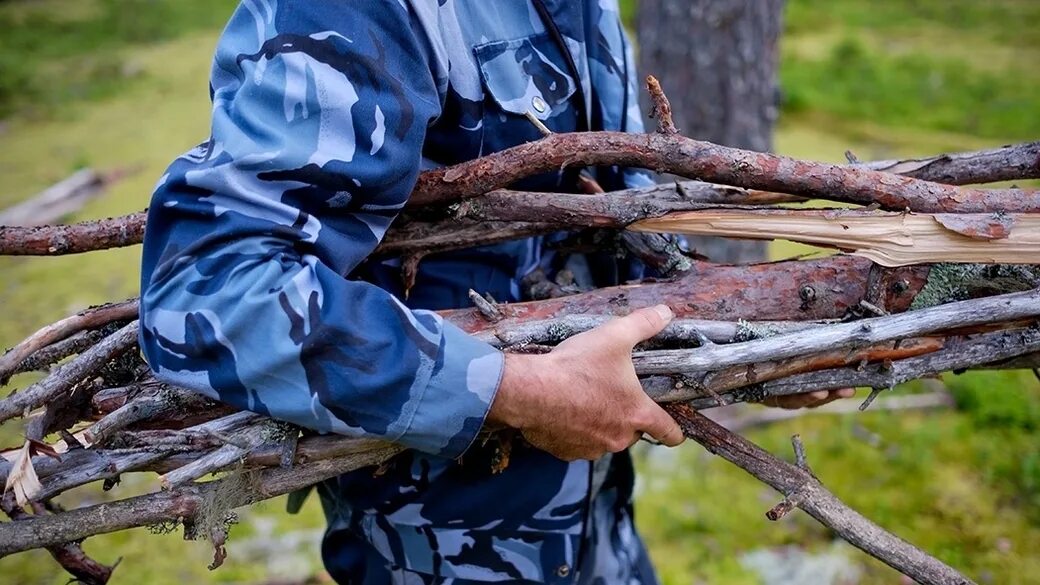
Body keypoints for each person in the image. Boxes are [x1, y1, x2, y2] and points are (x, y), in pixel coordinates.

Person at [138, 1, 850, 583]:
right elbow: (213, 284)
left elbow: (618, 241)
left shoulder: (584, 10)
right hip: (435, 553)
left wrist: (752, 357)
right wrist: (521, 391)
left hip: (603, 538)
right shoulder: (361, 11)